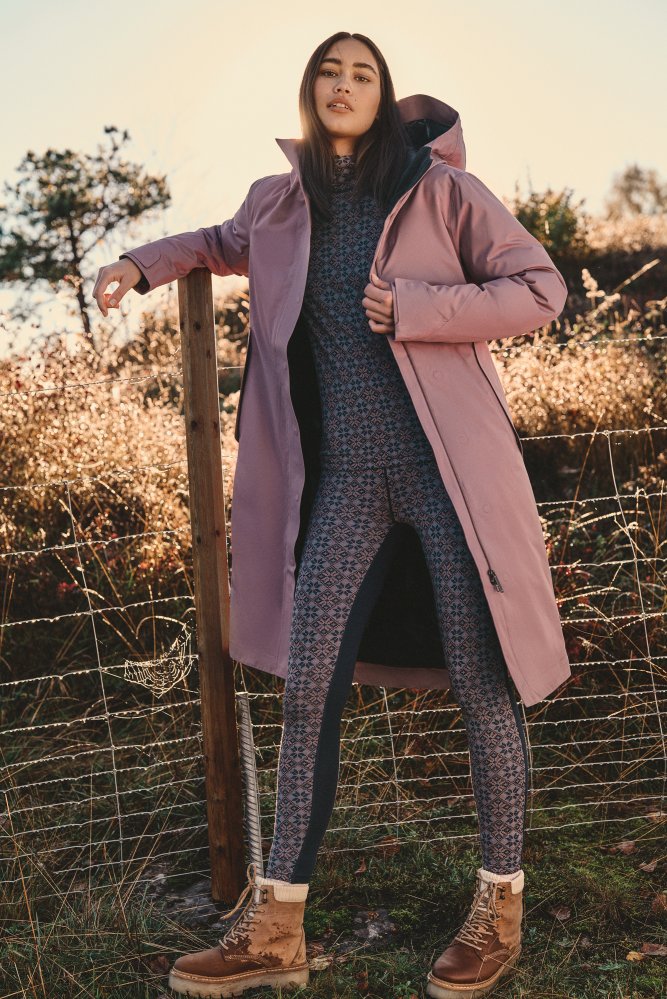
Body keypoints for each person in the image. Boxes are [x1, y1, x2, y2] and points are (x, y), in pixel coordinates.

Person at [94, 30, 569, 999]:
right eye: (328, 71)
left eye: (362, 73)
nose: (344, 85)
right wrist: (140, 264)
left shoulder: (442, 192)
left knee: (483, 685)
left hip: (447, 479)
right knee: (309, 688)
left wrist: (423, 306)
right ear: (308, 91)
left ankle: (498, 905)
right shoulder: (277, 202)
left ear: (383, 94)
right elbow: (218, 244)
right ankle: (275, 928)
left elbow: (539, 289)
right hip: (345, 485)